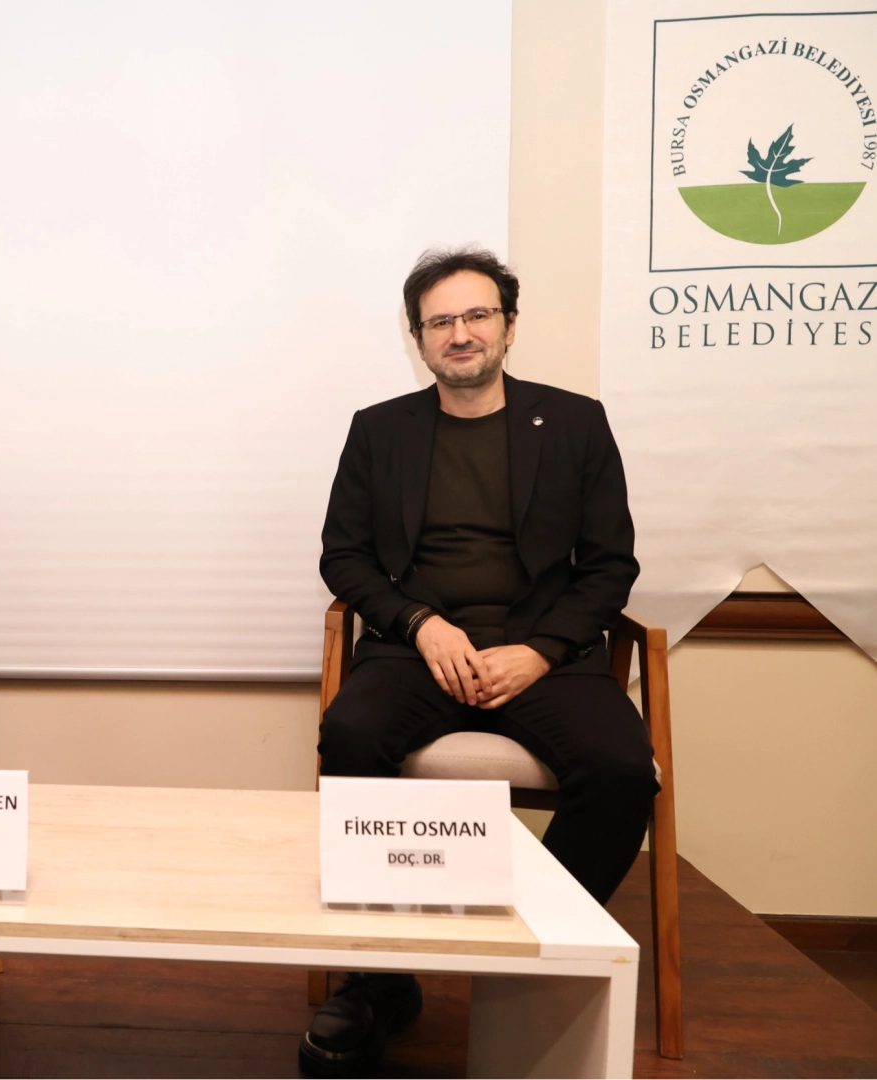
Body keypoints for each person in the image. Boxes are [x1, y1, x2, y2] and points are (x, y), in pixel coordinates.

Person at [301, 247, 657, 1079]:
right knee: (350, 736)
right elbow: (344, 557)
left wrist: (539, 651)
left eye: (476, 315)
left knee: (621, 772)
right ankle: (377, 975)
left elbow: (610, 566)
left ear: (508, 325)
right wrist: (419, 624)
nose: (459, 334)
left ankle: (531, 951)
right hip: (418, 650)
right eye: (440, 322)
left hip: (543, 652)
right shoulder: (379, 430)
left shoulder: (575, 423)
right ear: (418, 338)